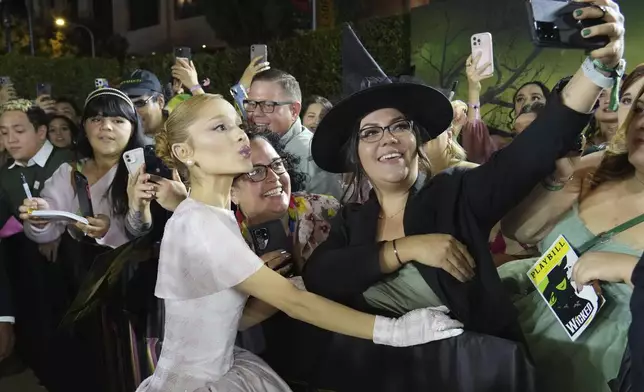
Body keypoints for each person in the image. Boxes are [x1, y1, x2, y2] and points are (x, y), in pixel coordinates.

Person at [301, 2, 625, 390]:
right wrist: (407, 248)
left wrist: (598, 68)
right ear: (356, 154)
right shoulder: (352, 221)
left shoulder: (455, 192)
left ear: (416, 140)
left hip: (471, 378)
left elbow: (532, 150)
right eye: (370, 132)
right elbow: (320, 277)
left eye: (398, 126)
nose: (387, 138)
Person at [135, 93, 465, 392]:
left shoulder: (206, 216)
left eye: (236, 124)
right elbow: (295, 303)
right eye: (219, 127)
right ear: (184, 152)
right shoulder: (201, 223)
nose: (238, 134)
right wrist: (396, 331)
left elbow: (231, 319)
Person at [498, 62, 644, 390]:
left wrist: (629, 269)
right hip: (518, 339)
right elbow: (518, 232)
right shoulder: (596, 167)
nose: (639, 116)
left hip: (594, 369)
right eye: (631, 102)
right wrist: (562, 180)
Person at [246, 69, 343, 199]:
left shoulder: (316, 158)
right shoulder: (252, 145)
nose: (256, 113)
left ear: (294, 111)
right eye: (251, 104)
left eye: (267, 105)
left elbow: (327, 214)